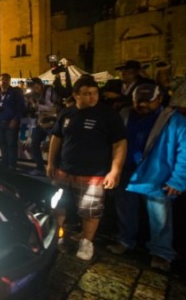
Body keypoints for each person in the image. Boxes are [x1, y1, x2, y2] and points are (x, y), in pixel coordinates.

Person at [107, 84, 186, 271]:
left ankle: (161, 252)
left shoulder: (176, 122)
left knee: (160, 217)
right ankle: (125, 240)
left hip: (157, 176)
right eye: (137, 101)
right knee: (125, 210)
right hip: (126, 173)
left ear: (159, 100)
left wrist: (179, 180)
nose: (142, 105)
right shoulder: (124, 115)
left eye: (147, 101)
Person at [47, 75, 127, 261]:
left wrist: (115, 171)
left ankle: (86, 241)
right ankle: (58, 236)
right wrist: (51, 163)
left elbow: (120, 143)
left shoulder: (107, 115)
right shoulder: (66, 113)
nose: (92, 97)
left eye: (95, 93)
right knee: (59, 205)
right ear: (76, 96)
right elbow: (56, 138)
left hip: (94, 174)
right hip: (65, 171)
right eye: (87, 94)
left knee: (90, 210)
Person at [0, 73, 26, 170]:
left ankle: (12, 164)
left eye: (5, 80)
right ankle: (4, 162)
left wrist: (15, 119)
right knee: (2, 143)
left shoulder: (15, 92)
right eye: (1, 80)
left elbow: (20, 107)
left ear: (9, 81)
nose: (3, 82)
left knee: (11, 144)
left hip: (10, 122)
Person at [28, 77, 58, 176]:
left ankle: (55, 168)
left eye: (35, 85)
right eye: (33, 87)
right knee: (34, 144)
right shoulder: (34, 94)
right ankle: (40, 168)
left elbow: (52, 107)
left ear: (40, 83)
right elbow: (36, 108)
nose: (34, 88)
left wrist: (37, 106)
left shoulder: (49, 90)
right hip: (40, 121)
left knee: (55, 146)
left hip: (51, 122)